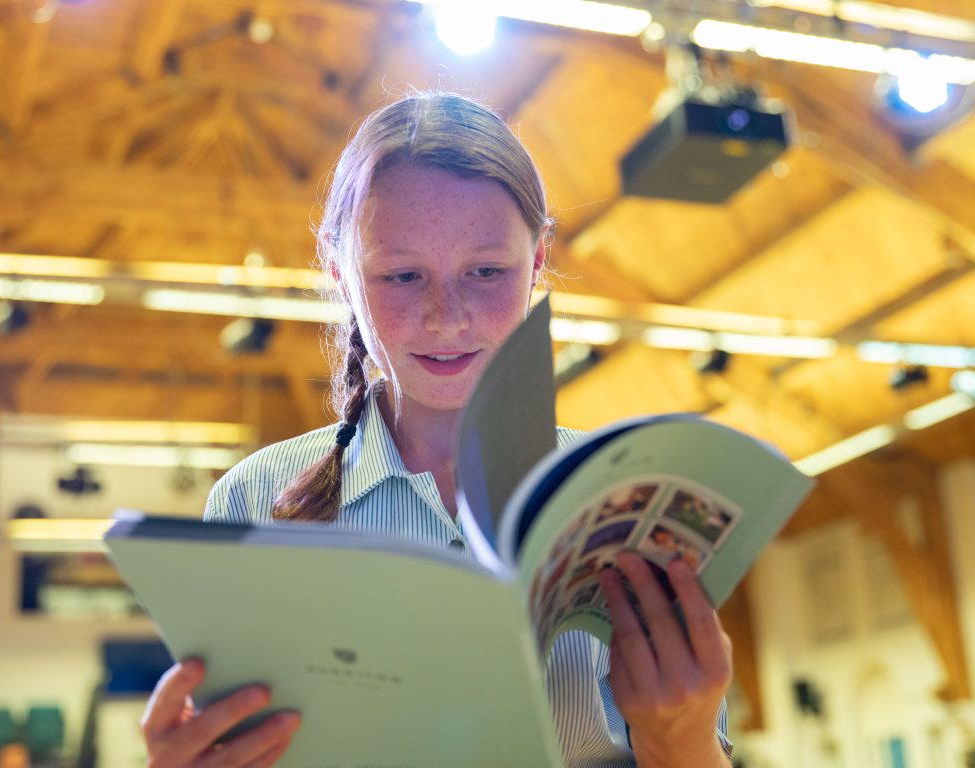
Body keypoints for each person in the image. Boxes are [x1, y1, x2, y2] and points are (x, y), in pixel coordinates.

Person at [140, 92, 734, 768]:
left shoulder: (626, 502)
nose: (446, 317)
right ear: (342, 276)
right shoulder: (252, 503)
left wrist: (681, 741)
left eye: (486, 271)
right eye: (401, 275)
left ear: (537, 262)